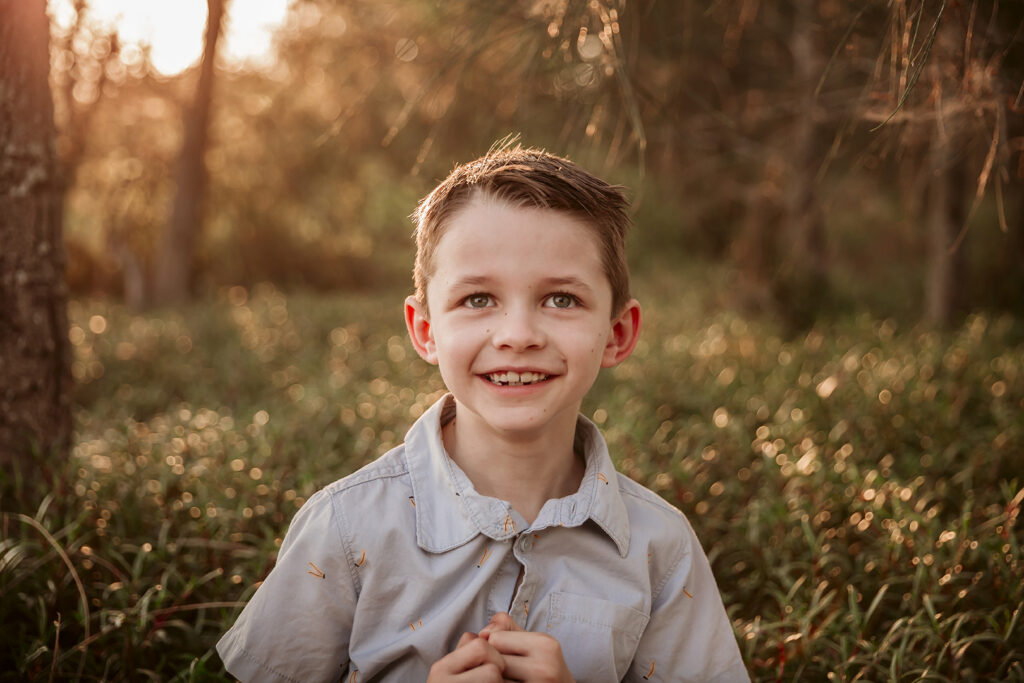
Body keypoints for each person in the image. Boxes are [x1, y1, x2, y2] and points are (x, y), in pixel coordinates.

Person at [217, 145, 749, 682]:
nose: (518, 335)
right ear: (426, 330)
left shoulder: (660, 547)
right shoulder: (346, 527)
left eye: (561, 299)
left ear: (617, 334)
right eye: (478, 299)